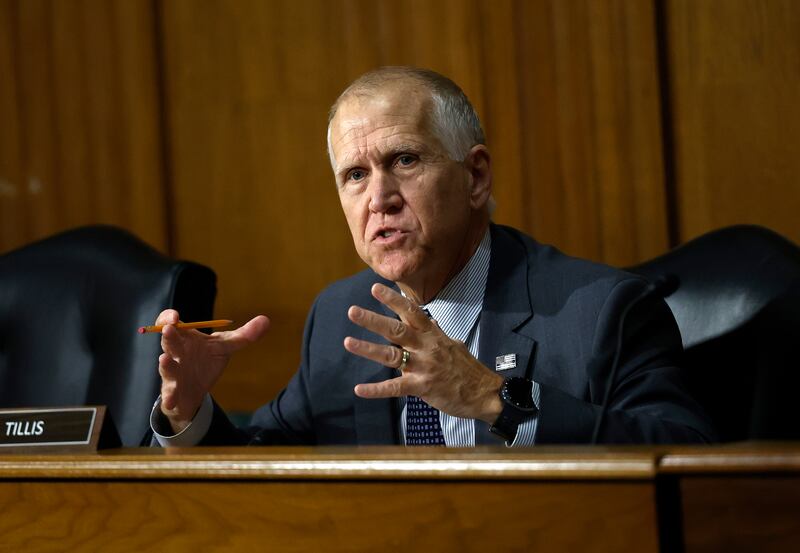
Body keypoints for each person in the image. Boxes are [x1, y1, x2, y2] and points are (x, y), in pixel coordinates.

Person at [150, 66, 715, 447]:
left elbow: (687, 461)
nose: (379, 199)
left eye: (404, 161)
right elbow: (261, 469)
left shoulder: (602, 313)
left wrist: (495, 398)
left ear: (475, 176)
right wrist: (190, 411)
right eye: (354, 175)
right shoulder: (338, 317)